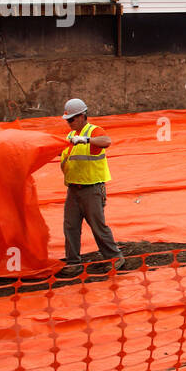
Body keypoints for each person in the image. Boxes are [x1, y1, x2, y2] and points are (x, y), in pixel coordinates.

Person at [59, 98, 122, 267]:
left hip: (92, 189)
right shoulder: (71, 135)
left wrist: (86, 140)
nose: (69, 123)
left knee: (98, 227)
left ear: (82, 116)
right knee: (70, 227)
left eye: (71, 119)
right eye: (67, 120)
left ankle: (115, 259)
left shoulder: (93, 131)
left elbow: (106, 141)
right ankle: (73, 262)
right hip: (73, 189)